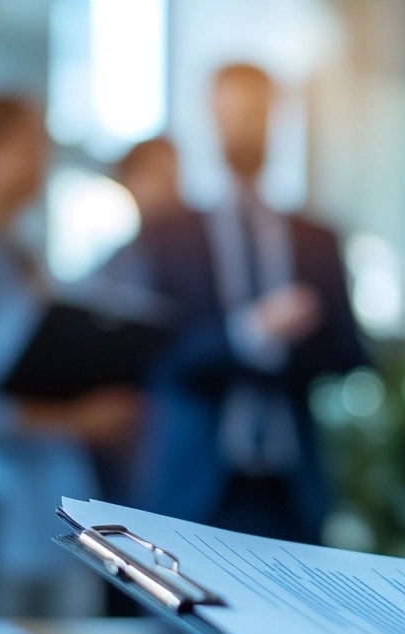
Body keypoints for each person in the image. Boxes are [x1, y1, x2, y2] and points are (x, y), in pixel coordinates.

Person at [105, 63, 367, 544]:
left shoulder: (316, 239)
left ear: (276, 119)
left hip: (292, 487)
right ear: (212, 120)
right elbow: (159, 356)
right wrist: (250, 335)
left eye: (255, 114)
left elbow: (350, 352)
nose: (244, 127)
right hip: (196, 485)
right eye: (232, 114)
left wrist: (289, 344)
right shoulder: (167, 237)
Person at [0, 96, 138, 616]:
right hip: (1, 513)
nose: (37, 158)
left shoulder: (21, 252)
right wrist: (75, 419)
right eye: (21, 144)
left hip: (54, 507)